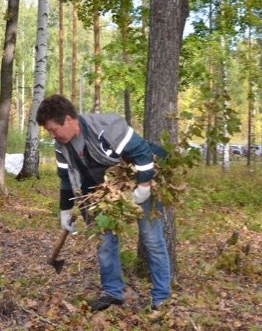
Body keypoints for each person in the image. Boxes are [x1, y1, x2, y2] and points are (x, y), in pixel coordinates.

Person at [36, 94, 170, 312]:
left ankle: (161, 298)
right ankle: (112, 293)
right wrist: (65, 210)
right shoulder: (61, 145)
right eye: (49, 131)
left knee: (151, 239)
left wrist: (143, 188)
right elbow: (66, 179)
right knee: (105, 242)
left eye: (53, 129)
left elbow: (144, 154)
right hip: (104, 191)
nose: (52, 135)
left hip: (139, 179)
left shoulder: (107, 126)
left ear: (69, 120)